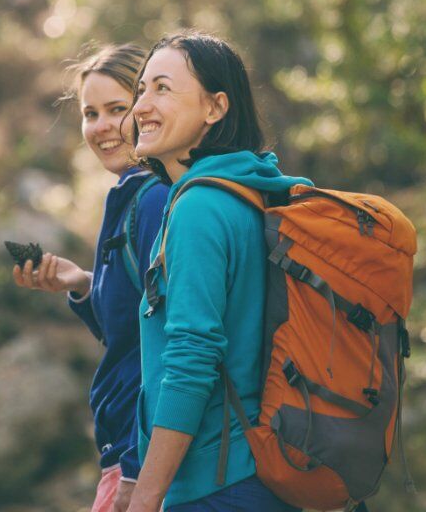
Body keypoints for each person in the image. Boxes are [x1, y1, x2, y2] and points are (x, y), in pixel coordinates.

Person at [126, 32, 310, 512]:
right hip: (262, 472)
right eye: (141, 90)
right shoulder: (251, 191)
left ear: (215, 107)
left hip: (218, 484)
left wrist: (146, 496)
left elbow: (193, 359)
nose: (141, 106)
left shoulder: (199, 208)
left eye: (162, 89)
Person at [13, 43, 169, 512]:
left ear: (148, 109)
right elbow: (130, 331)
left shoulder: (155, 200)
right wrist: (83, 283)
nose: (100, 127)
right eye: (90, 113)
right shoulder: (128, 195)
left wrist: (138, 470)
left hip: (144, 458)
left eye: (117, 109)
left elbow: (173, 347)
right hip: (126, 451)